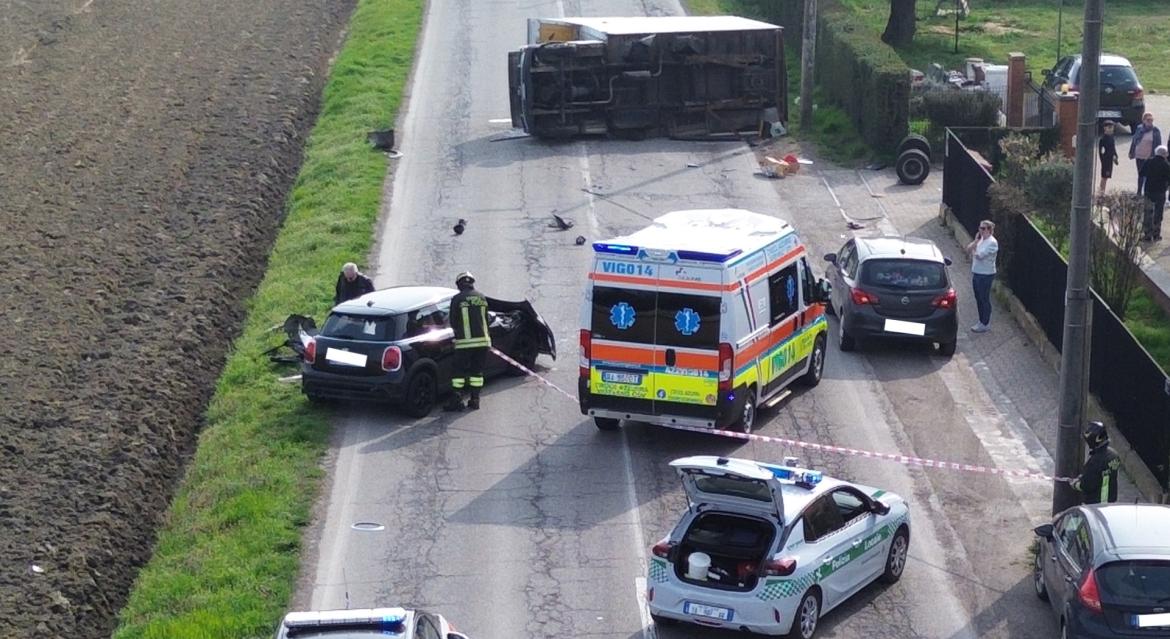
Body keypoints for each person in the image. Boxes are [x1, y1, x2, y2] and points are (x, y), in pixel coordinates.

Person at [444, 271, 491, 411]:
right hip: (483, 342)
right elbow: (486, 320)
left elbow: (453, 321)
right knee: (477, 373)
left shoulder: (457, 299)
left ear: (459, 284)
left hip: (465, 343)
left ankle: (456, 401)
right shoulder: (481, 297)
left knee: (458, 373)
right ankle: (475, 400)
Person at [1072, 421, 1120, 504]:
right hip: (1111, 503)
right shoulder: (1114, 455)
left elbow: (1086, 485)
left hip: (1095, 504)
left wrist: (1075, 484)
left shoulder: (1095, 462)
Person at [965, 219, 998, 333]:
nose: (981, 230)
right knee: (978, 297)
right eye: (980, 228)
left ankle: (985, 322)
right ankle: (981, 320)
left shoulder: (992, 243)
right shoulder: (980, 240)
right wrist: (975, 242)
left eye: (983, 228)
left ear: (989, 230)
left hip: (986, 274)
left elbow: (979, 256)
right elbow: (968, 249)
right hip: (977, 272)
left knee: (984, 298)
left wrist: (974, 251)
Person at [1138, 145, 1170, 241]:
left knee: (1148, 211)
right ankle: (1156, 234)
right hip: (1160, 191)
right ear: (1165, 154)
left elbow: (1141, 173)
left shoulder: (1149, 161)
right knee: (1158, 212)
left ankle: (1147, 234)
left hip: (1149, 190)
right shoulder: (1166, 165)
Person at [1128, 112, 1162, 194]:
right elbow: (1134, 141)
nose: (1150, 122)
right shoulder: (1139, 128)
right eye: (1148, 120)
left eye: (1151, 120)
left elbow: (1158, 145)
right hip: (1139, 156)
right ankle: (1139, 191)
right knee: (1140, 174)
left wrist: (1158, 157)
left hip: (1149, 157)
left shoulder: (1155, 131)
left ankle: (1147, 192)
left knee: (1148, 175)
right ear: (1143, 121)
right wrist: (1131, 152)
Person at [1098, 120, 1119, 194]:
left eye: (1112, 127)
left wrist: (1115, 156)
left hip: (1110, 160)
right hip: (1106, 161)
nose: (1111, 129)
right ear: (1105, 128)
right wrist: (1104, 161)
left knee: (1106, 177)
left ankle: (1102, 192)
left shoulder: (1111, 137)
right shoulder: (1103, 139)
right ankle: (1101, 192)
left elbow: (1113, 148)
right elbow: (1102, 152)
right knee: (1104, 177)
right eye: (1109, 127)